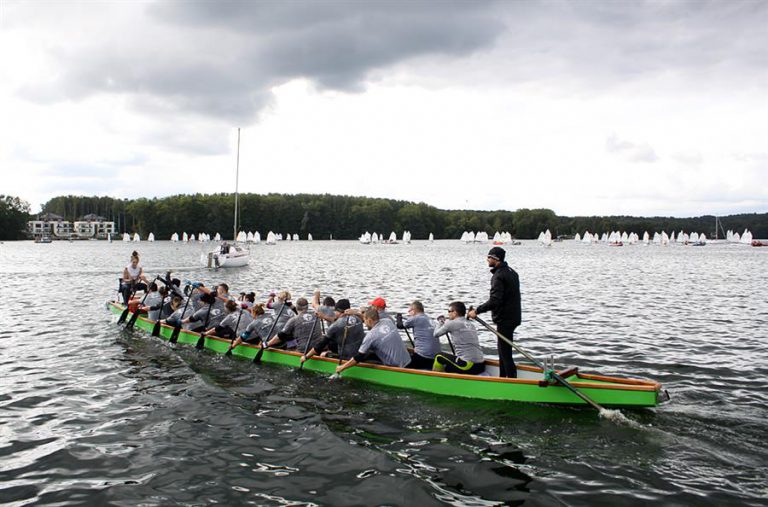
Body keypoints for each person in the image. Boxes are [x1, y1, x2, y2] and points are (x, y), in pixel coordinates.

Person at [468, 246, 521, 378]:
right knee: (503, 350)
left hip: (505, 318)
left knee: (505, 353)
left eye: (489, 257)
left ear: (496, 259)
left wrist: (477, 311)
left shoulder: (498, 276)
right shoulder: (512, 272)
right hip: (514, 316)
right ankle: (503, 377)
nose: (487, 259)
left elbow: (495, 301)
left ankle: (511, 380)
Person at [335, 307, 411, 375]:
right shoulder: (388, 321)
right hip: (408, 360)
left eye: (365, 320)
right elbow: (370, 316)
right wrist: (355, 313)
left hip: (397, 367)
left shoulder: (371, 336)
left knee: (365, 359)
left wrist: (342, 367)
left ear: (370, 320)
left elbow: (358, 358)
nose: (364, 323)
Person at [301, 298, 365, 364]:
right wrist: (323, 316)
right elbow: (339, 321)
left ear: (338, 311)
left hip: (346, 357)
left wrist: (306, 357)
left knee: (325, 348)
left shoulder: (335, 326)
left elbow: (320, 346)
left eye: (335, 311)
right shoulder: (358, 318)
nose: (334, 313)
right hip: (360, 354)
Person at [433, 301, 485, 375]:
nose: (448, 314)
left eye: (449, 311)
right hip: (481, 365)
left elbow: (435, 334)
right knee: (448, 367)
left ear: (455, 312)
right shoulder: (470, 324)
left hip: (468, 366)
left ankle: (436, 379)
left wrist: (440, 322)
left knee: (439, 356)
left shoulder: (451, 323)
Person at [396, 300, 440, 370]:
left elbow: (400, 325)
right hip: (434, 357)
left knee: (402, 364)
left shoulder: (416, 318)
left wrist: (398, 317)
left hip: (423, 357)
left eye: (409, 311)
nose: (409, 313)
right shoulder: (430, 320)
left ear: (414, 310)